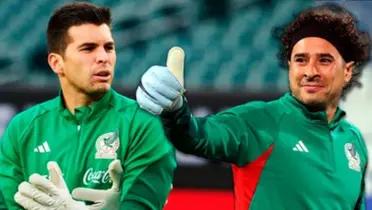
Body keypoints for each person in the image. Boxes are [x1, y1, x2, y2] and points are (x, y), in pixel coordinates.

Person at [136, 3, 370, 210]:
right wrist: (175, 111)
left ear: (347, 71)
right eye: (301, 60)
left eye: (324, 60)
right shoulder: (261, 120)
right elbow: (196, 135)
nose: (310, 72)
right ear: (290, 66)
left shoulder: (353, 141)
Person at [0, 2, 176, 210]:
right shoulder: (23, 128)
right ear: (56, 63)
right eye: (88, 48)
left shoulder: (146, 125)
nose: (103, 57)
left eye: (109, 48)